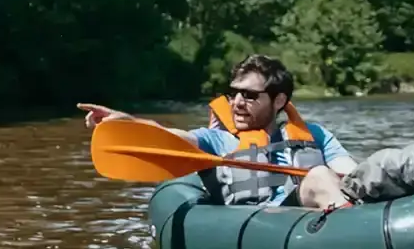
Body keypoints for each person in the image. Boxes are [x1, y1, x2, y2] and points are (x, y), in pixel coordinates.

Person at [79, 54, 356, 209]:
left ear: (279, 101)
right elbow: (170, 138)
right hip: (268, 224)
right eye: (233, 93)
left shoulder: (315, 135)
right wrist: (127, 122)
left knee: (357, 171)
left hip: (317, 214)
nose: (236, 102)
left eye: (249, 95)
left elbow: (351, 173)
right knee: (319, 175)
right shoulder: (216, 141)